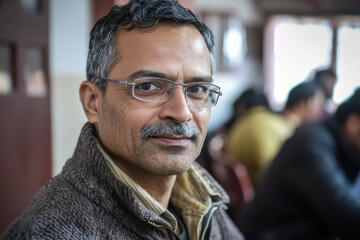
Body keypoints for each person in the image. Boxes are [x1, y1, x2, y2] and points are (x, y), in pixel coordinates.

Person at [1, 1, 243, 239]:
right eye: (148, 86)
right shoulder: (48, 232)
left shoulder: (202, 203)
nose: (182, 112)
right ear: (93, 102)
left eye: (198, 89)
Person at [238, 87, 360, 240]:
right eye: (318, 103)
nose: (320, 108)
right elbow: (345, 216)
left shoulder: (301, 132)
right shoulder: (308, 140)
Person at [226, 82, 325, 186]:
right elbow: (274, 176)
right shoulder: (273, 128)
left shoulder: (265, 119)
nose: (322, 110)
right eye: (319, 103)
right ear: (306, 103)